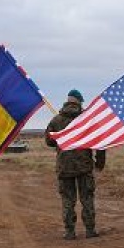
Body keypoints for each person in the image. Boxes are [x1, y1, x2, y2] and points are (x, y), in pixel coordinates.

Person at [45, 89, 106, 240]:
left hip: (64, 167)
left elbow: (49, 141)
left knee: (68, 200)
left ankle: (69, 232)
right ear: (79, 101)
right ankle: (90, 230)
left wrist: (64, 138)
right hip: (84, 166)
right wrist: (99, 163)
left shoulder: (56, 120)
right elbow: (100, 142)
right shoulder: (87, 120)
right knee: (87, 198)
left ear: (68, 100)